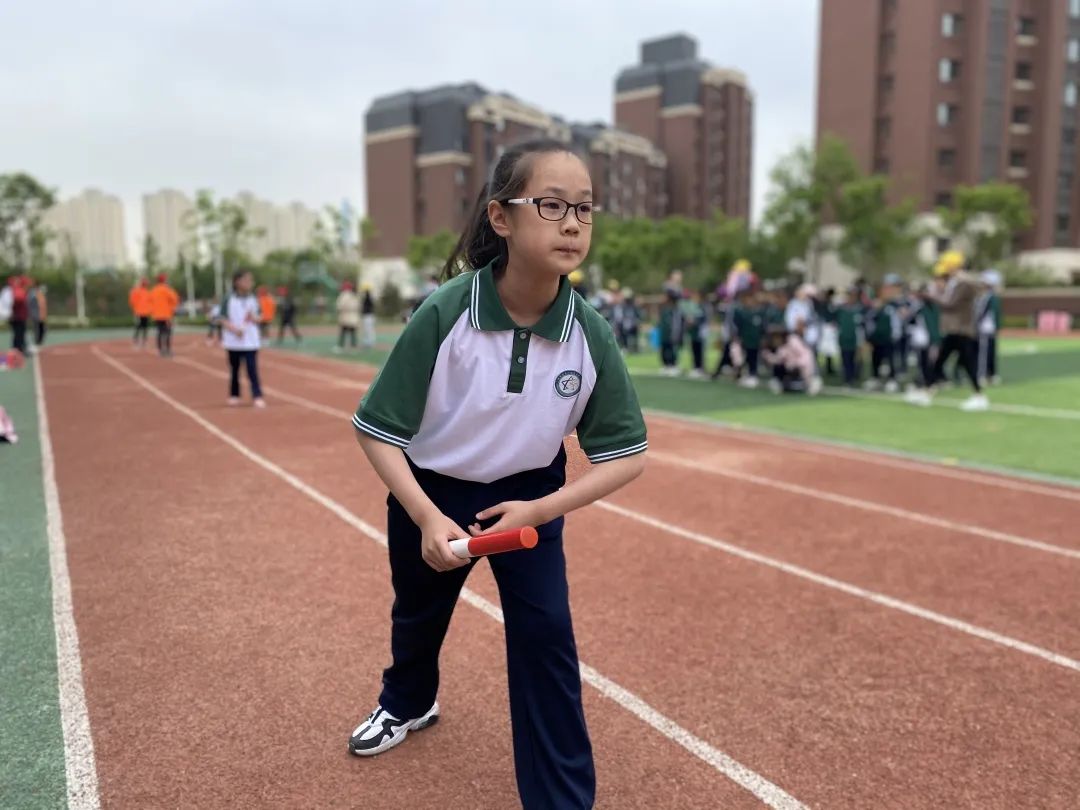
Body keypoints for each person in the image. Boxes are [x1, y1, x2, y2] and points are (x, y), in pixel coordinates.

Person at [347, 139, 647, 810]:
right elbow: (375, 429)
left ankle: (561, 800)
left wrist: (541, 511)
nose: (572, 223)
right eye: (551, 204)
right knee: (419, 616)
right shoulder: (446, 313)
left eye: (585, 209)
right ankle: (408, 703)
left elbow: (627, 454)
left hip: (531, 499)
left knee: (547, 640)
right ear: (502, 218)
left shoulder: (590, 334)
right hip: (433, 490)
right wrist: (426, 515)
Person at [907, 251, 988, 410]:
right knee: (939, 362)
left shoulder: (963, 283)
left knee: (965, 363)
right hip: (953, 330)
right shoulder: (955, 283)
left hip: (962, 330)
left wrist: (930, 296)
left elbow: (950, 303)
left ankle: (978, 396)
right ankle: (927, 391)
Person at [220, 269, 265, 408]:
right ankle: (234, 394)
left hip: (250, 341)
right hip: (233, 341)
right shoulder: (228, 298)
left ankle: (257, 395)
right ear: (237, 282)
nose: (249, 283)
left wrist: (255, 318)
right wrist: (233, 329)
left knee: (252, 368)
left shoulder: (253, 298)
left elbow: (260, 316)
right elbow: (222, 318)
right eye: (246, 280)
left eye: (251, 280)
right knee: (235, 369)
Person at [732, 287, 764, 387]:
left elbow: (762, 327)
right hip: (745, 338)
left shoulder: (759, 312)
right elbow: (738, 325)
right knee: (743, 357)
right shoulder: (741, 312)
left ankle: (753, 375)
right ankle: (745, 374)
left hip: (755, 339)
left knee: (753, 357)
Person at [977, 269, 1002, 386]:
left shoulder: (987, 297)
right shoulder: (993, 297)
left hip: (985, 329)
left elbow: (980, 313)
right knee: (990, 352)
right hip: (990, 329)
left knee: (985, 353)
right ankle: (992, 374)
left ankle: (983, 375)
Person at [148, 274, 179, 357]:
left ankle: (160, 350)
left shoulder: (153, 290)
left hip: (156, 315)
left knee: (159, 332)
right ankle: (168, 349)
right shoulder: (166, 289)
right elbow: (174, 299)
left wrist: (153, 311)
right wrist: (172, 308)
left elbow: (149, 301)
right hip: (166, 315)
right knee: (168, 332)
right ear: (164, 280)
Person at [656, 287, 683, 375]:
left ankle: (673, 365)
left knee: (672, 348)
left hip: (672, 333)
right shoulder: (664, 308)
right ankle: (666, 365)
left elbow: (676, 323)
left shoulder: (675, 309)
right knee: (665, 348)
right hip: (665, 333)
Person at [334, 281, 360, 352]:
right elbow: (358, 306)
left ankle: (341, 346)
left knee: (343, 331)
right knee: (352, 332)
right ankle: (353, 346)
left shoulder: (343, 295)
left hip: (345, 316)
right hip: (353, 316)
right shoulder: (355, 295)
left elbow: (339, 306)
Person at [6, 276, 29, 355]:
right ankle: (18, 349)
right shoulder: (18, 290)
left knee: (19, 333)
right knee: (19, 334)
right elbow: (17, 301)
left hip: (18, 317)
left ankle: (18, 348)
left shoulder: (16, 290)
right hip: (18, 317)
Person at [129, 278, 153, 349]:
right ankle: (136, 341)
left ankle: (144, 342)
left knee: (145, 327)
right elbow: (132, 301)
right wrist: (135, 309)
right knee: (138, 326)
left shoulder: (147, 292)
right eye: (145, 283)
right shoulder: (136, 291)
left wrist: (150, 310)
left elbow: (150, 302)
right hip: (139, 312)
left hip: (145, 313)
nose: (146, 284)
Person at [360, 282, 377, 349]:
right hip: (369, 316)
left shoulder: (368, 297)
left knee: (368, 329)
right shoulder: (369, 297)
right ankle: (368, 342)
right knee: (368, 329)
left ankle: (369, 342)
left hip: (368, 316)